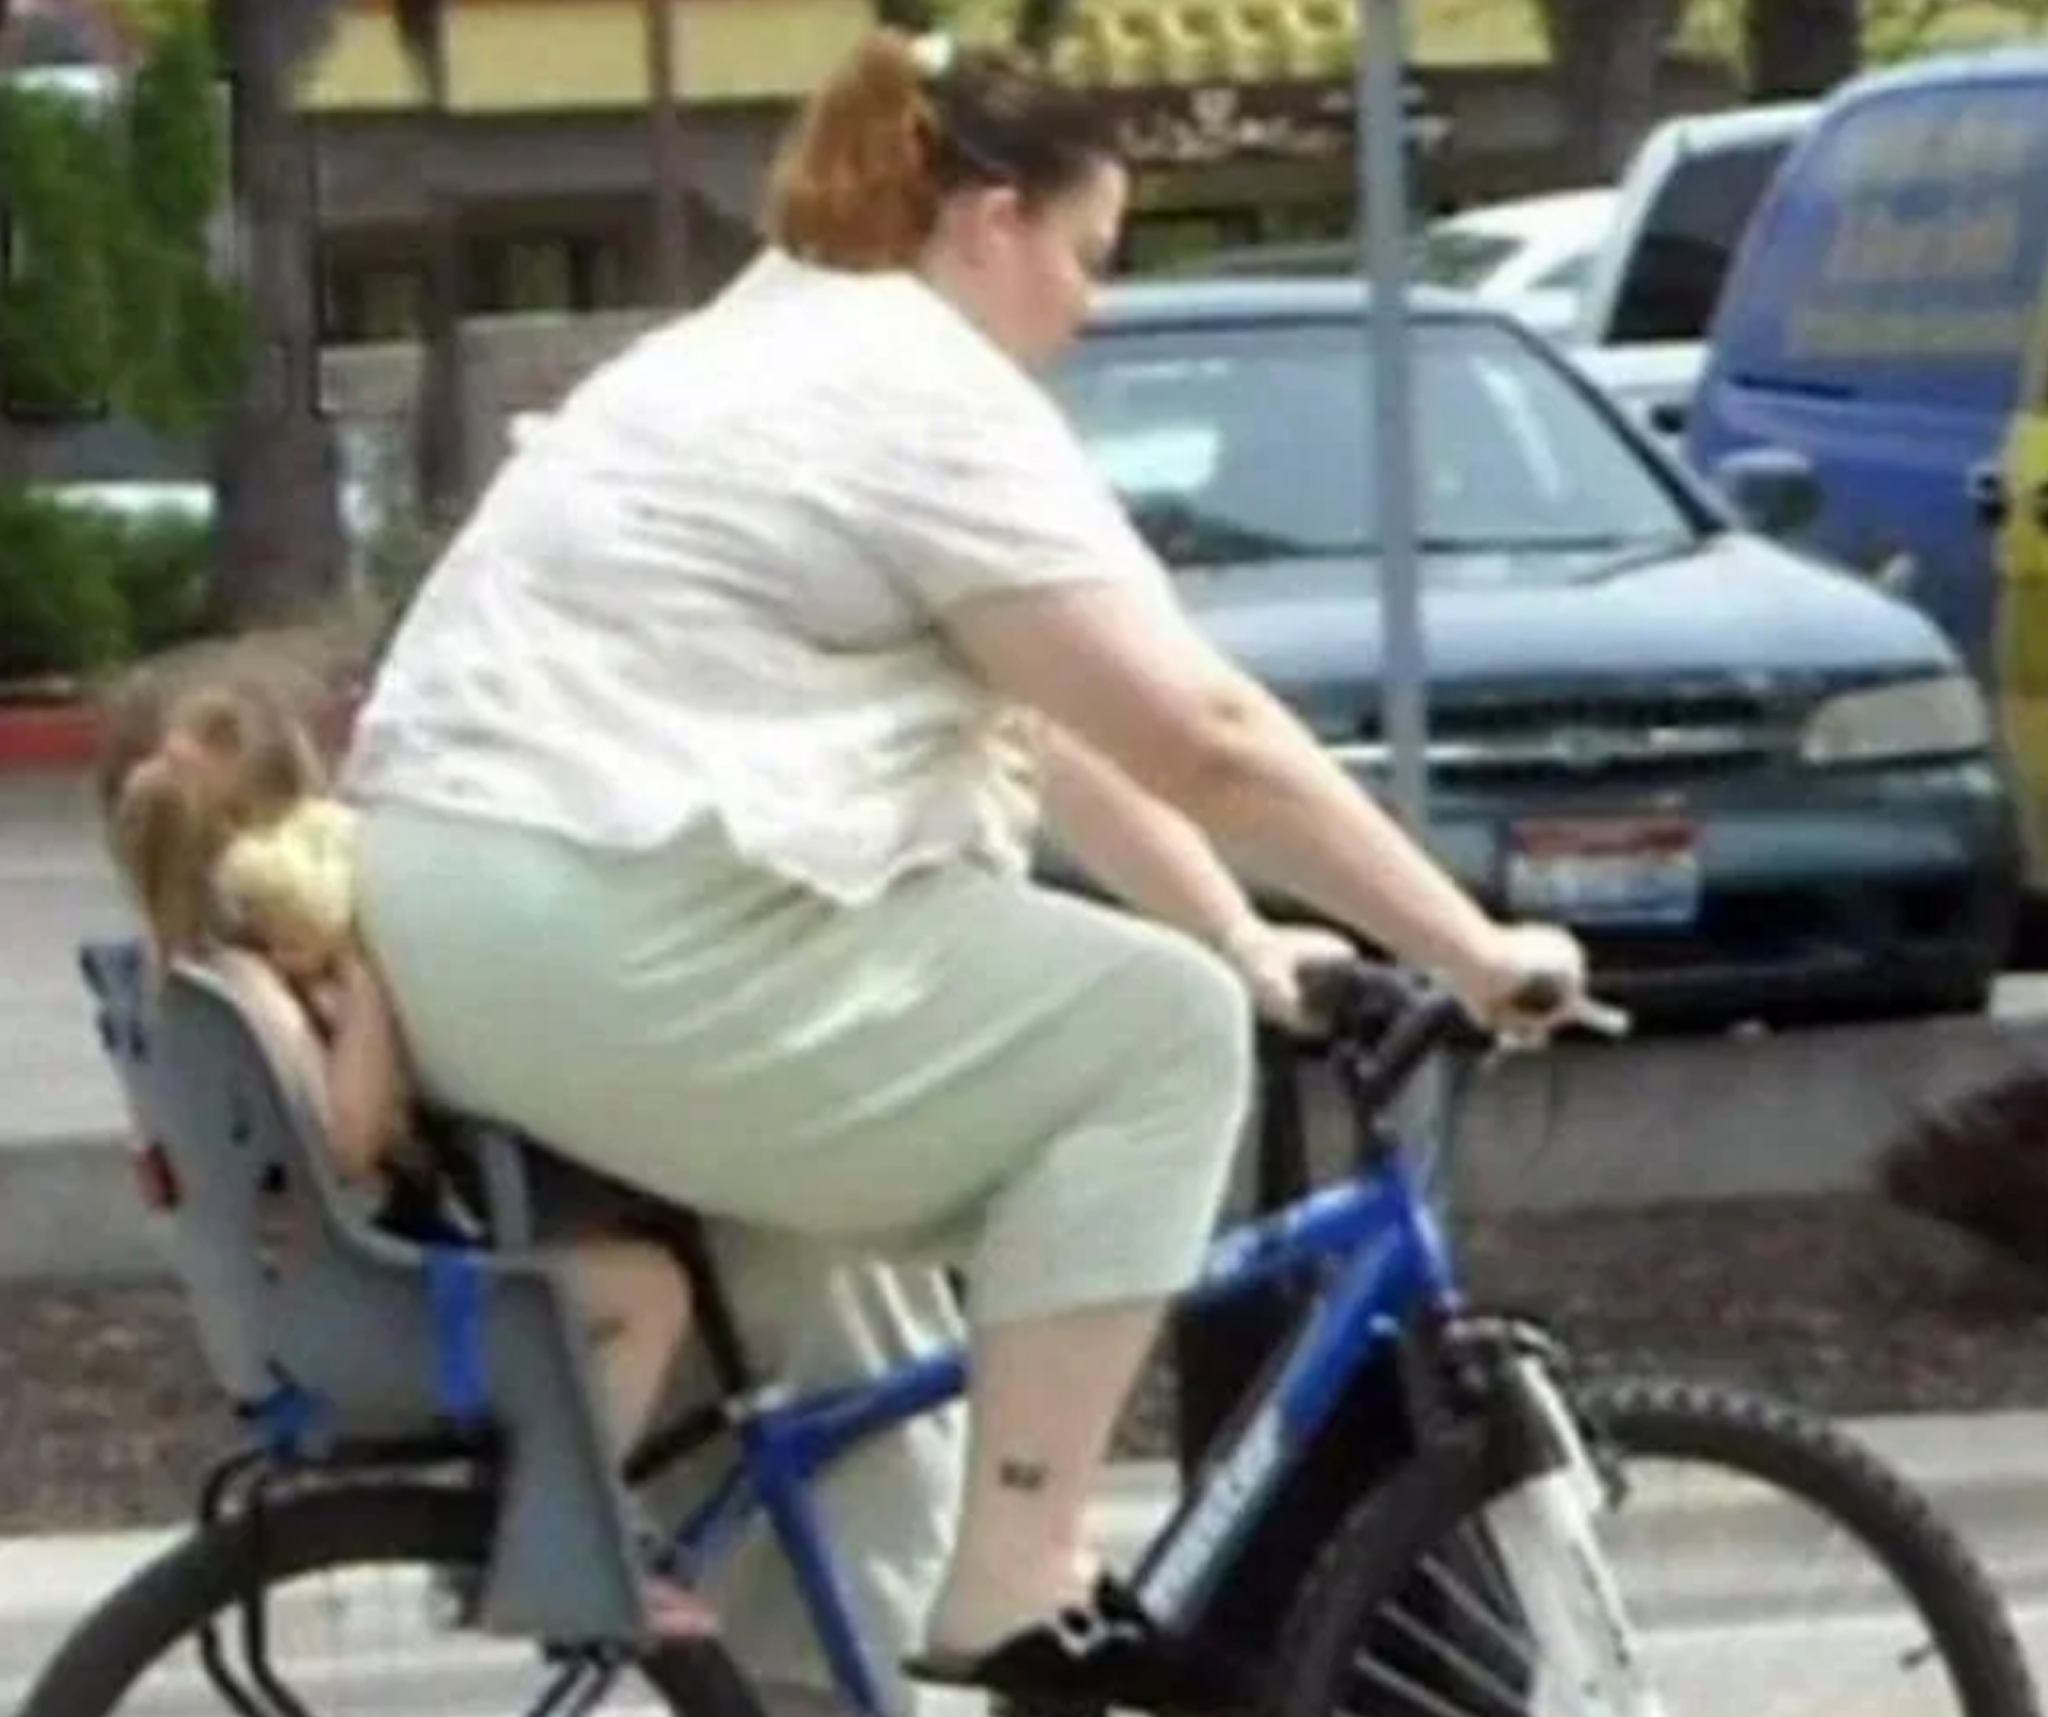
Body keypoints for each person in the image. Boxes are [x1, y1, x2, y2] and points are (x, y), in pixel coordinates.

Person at [339, 25, 1593, 1706]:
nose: (1091, 305)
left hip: (476, 930)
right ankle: (1025, 1572)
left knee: (864, 1369)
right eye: (1087, 255)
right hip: (612, 927)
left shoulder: (754, 345)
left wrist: (1239, 928)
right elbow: (1199, 732)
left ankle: (847, 1659)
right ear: (987, 222)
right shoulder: (914, 388)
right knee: (1151, 1036)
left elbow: (1056, 735)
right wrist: (1462, 945)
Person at [94, 674, 717, 1638]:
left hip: (312, 1299)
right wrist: (369, 992)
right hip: (379, 1304)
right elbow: (347, 1137)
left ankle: (541, 1522)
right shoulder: (255, 994)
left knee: (603, 1238)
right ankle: (560, 1550)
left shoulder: (175, 977)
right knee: (649, 1290)